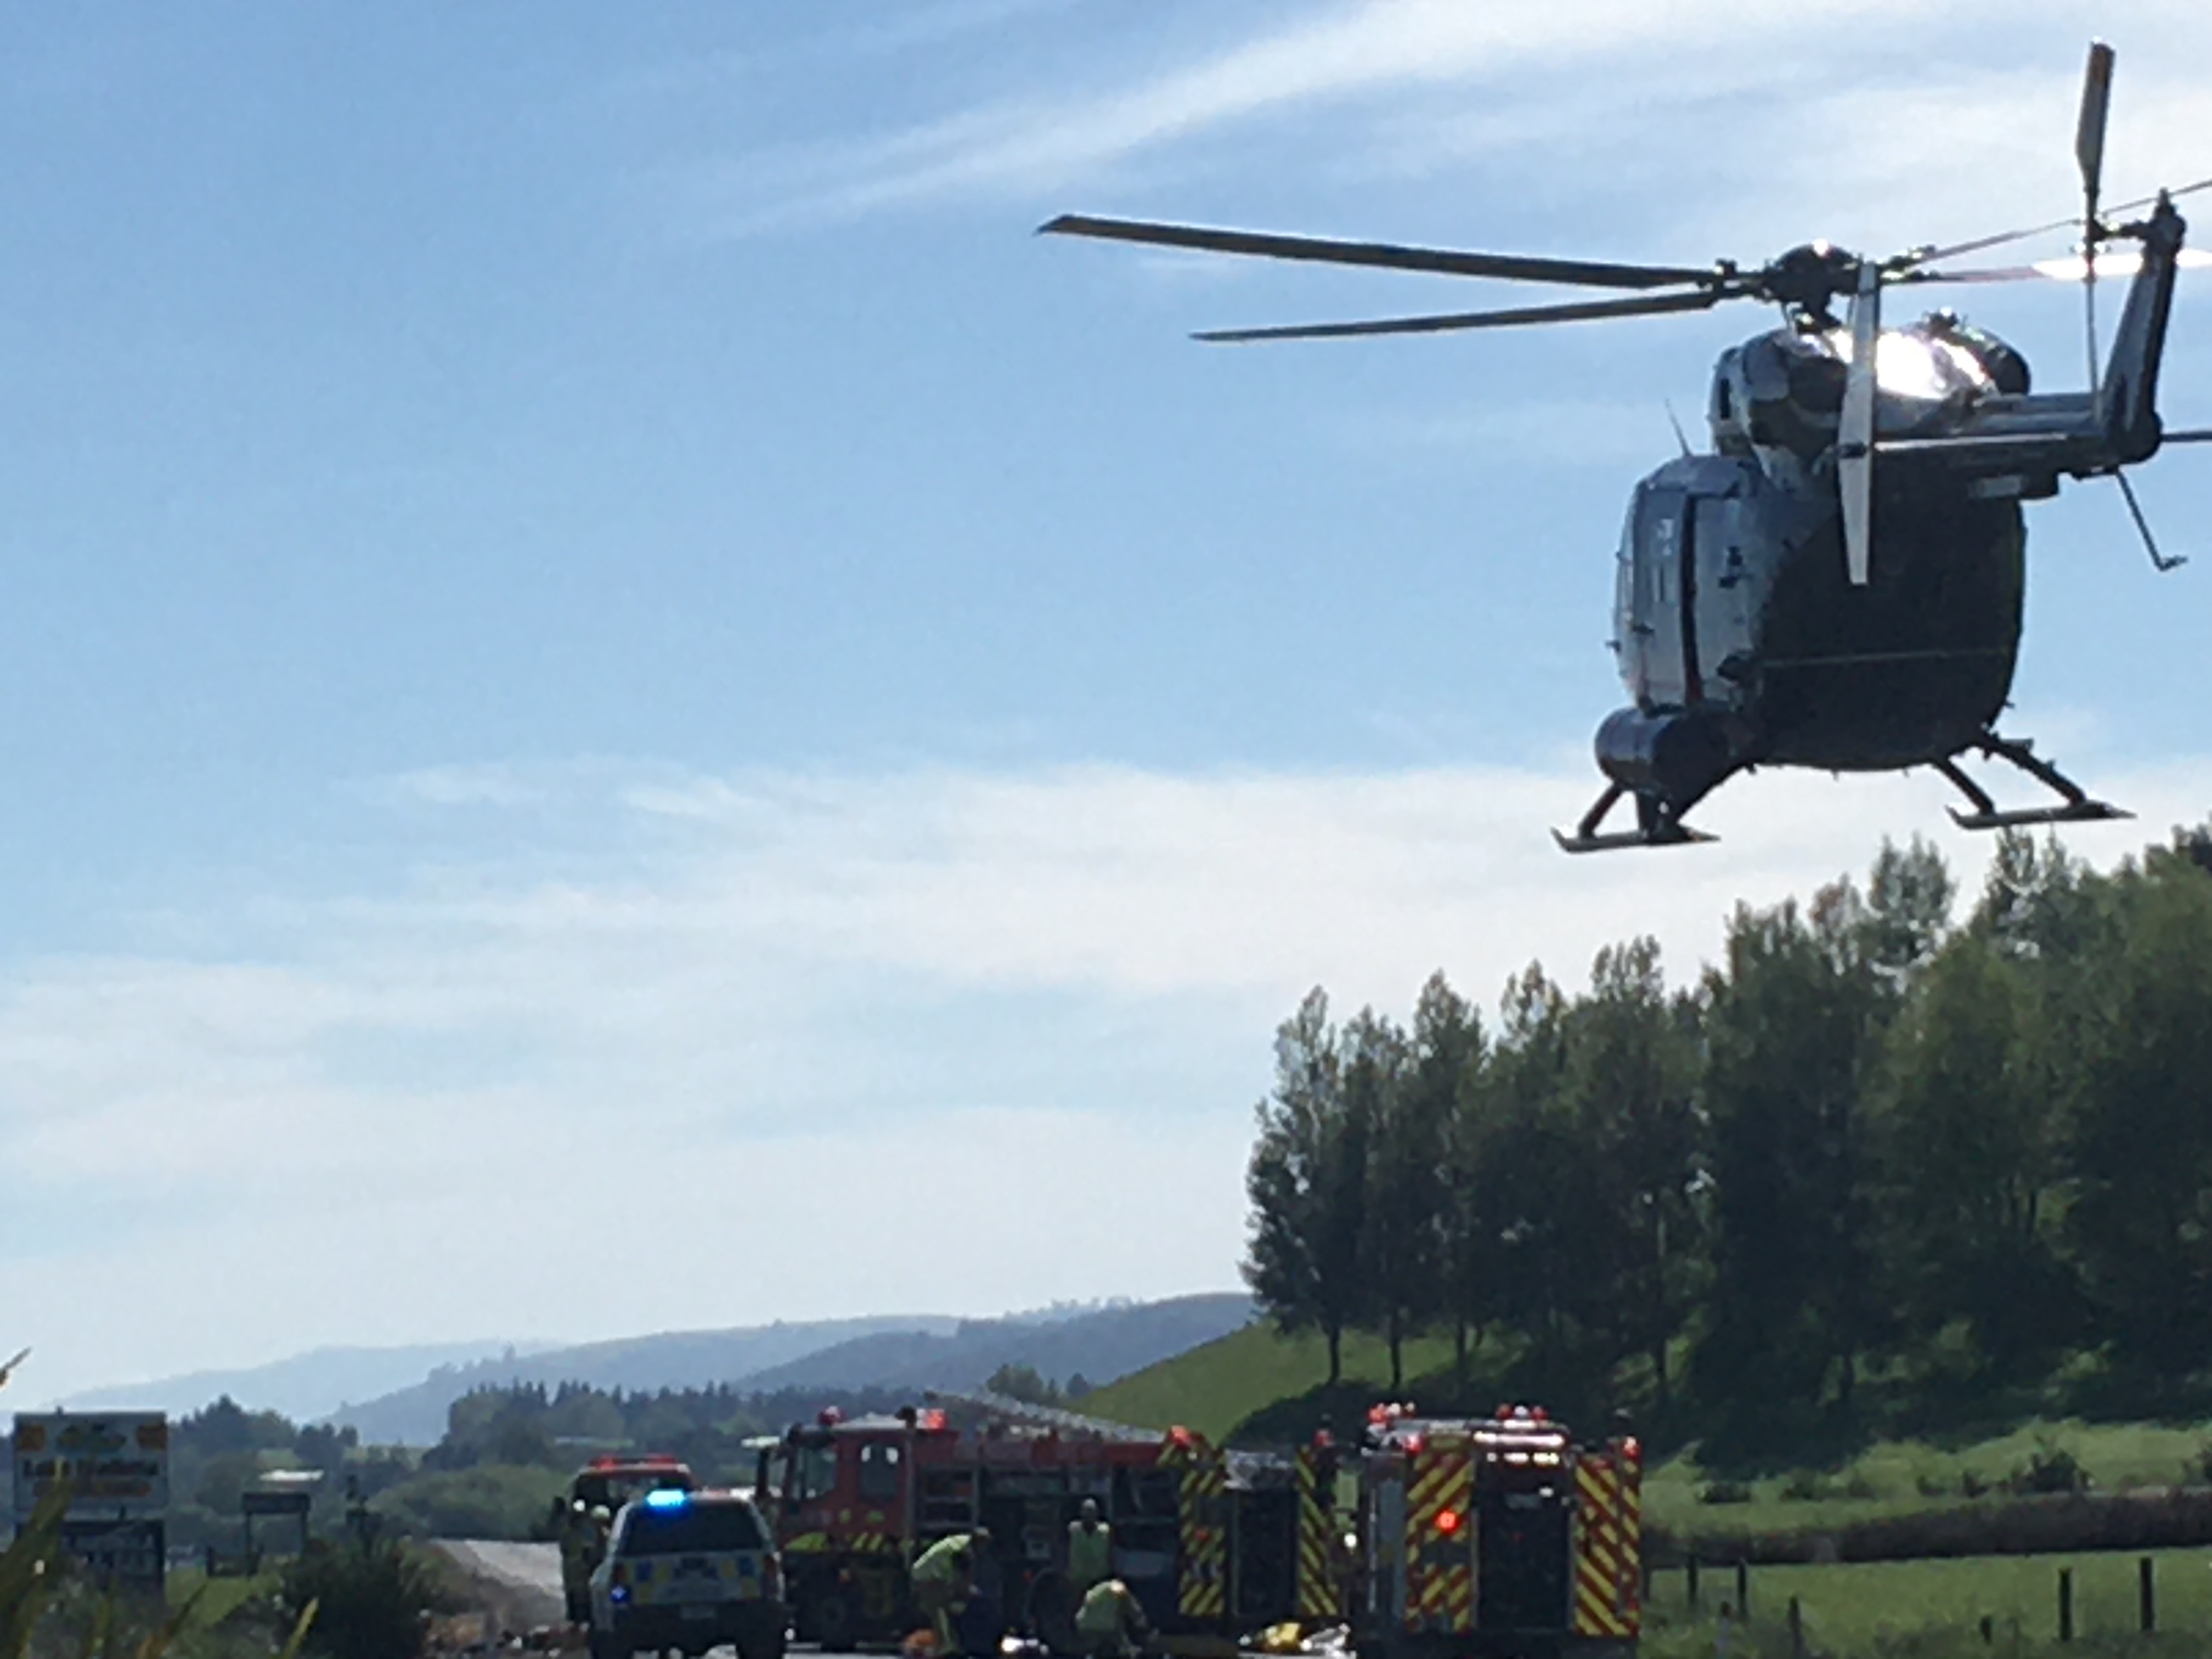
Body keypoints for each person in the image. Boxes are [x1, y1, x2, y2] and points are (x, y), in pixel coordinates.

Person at [912, 1528, 991, 1657]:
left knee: (943, 1611)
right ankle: (946, 1648)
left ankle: (949, 1645)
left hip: (930, 1574)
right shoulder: (963, 1551)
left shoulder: (962, 1542)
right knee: (940, 1610)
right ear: (979, 1543)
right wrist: (966, 1591)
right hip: (929, 1577)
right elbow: (960, 1575)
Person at [1074, 1578, 1150, 1659]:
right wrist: (1141, 1622)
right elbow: (1132, 1608)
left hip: (1085, 1625)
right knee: (1123, 1649)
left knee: (1094, 1648)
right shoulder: (1115, 1589)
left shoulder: (1098, 1591)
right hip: (1104, 1627)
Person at [1066, 1498, 1113, 1599]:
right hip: (1078, 1580)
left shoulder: (1105, 1531)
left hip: (1099, 1580)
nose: (1089, 1516)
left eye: (1091, 1512)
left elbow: (1111, 1553)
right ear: (1081, 1513)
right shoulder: (1073, 1530)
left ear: (1096, 1514)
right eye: (1086, 1512)